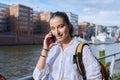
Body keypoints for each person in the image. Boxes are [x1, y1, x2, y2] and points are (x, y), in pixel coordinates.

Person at [33, 11, 102, 80]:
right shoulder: (52, 49)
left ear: (68, 26)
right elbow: (37, 76)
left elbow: (95, 77)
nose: (57, 32)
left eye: (61, 27)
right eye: (53, 28)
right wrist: (45, 50)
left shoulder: (82, 49)